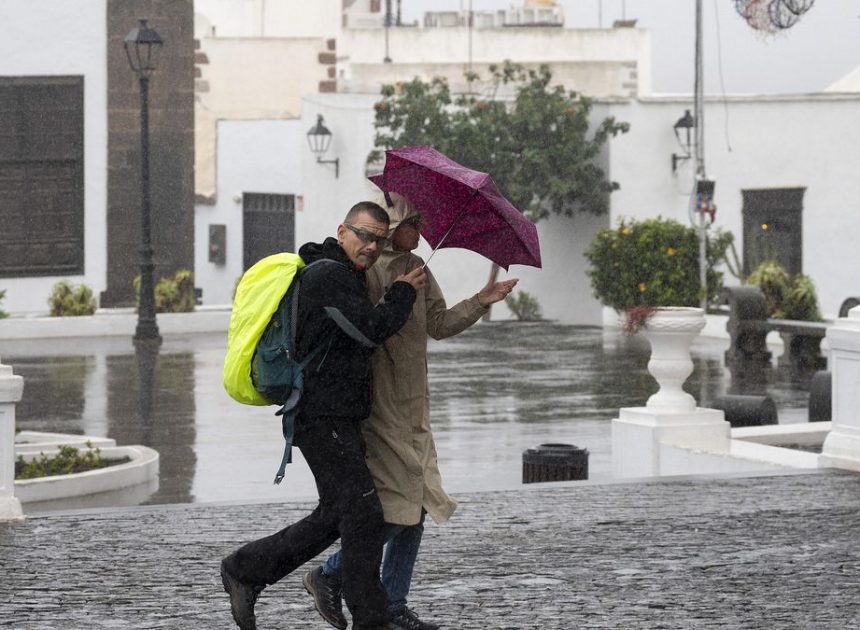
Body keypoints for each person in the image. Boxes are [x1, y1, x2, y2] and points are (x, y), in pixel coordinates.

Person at [303, 193, 518, 630]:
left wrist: (482, 298)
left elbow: (438, 325)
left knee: (416, 505)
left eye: (421, 223)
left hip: (415, 405)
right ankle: (330, 574)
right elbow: (366, 329)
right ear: (392, 225)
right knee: (399, 507)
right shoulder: (366, 271)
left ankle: (394, 603)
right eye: (412, 223)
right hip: (380, 406)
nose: (419, 232)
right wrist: (395, 291)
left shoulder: (420, 271)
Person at [220, 201, 427, 630]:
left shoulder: (343, 274)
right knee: (365, 515)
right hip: (320, 417)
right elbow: (369, 330)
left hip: (334, 416)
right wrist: (403, 292)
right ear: (343, 231)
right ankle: (372, 618)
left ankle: (245, 570)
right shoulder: (328, 276)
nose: (371, 247)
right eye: (365, 235)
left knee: (338, 515)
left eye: (379, 239)